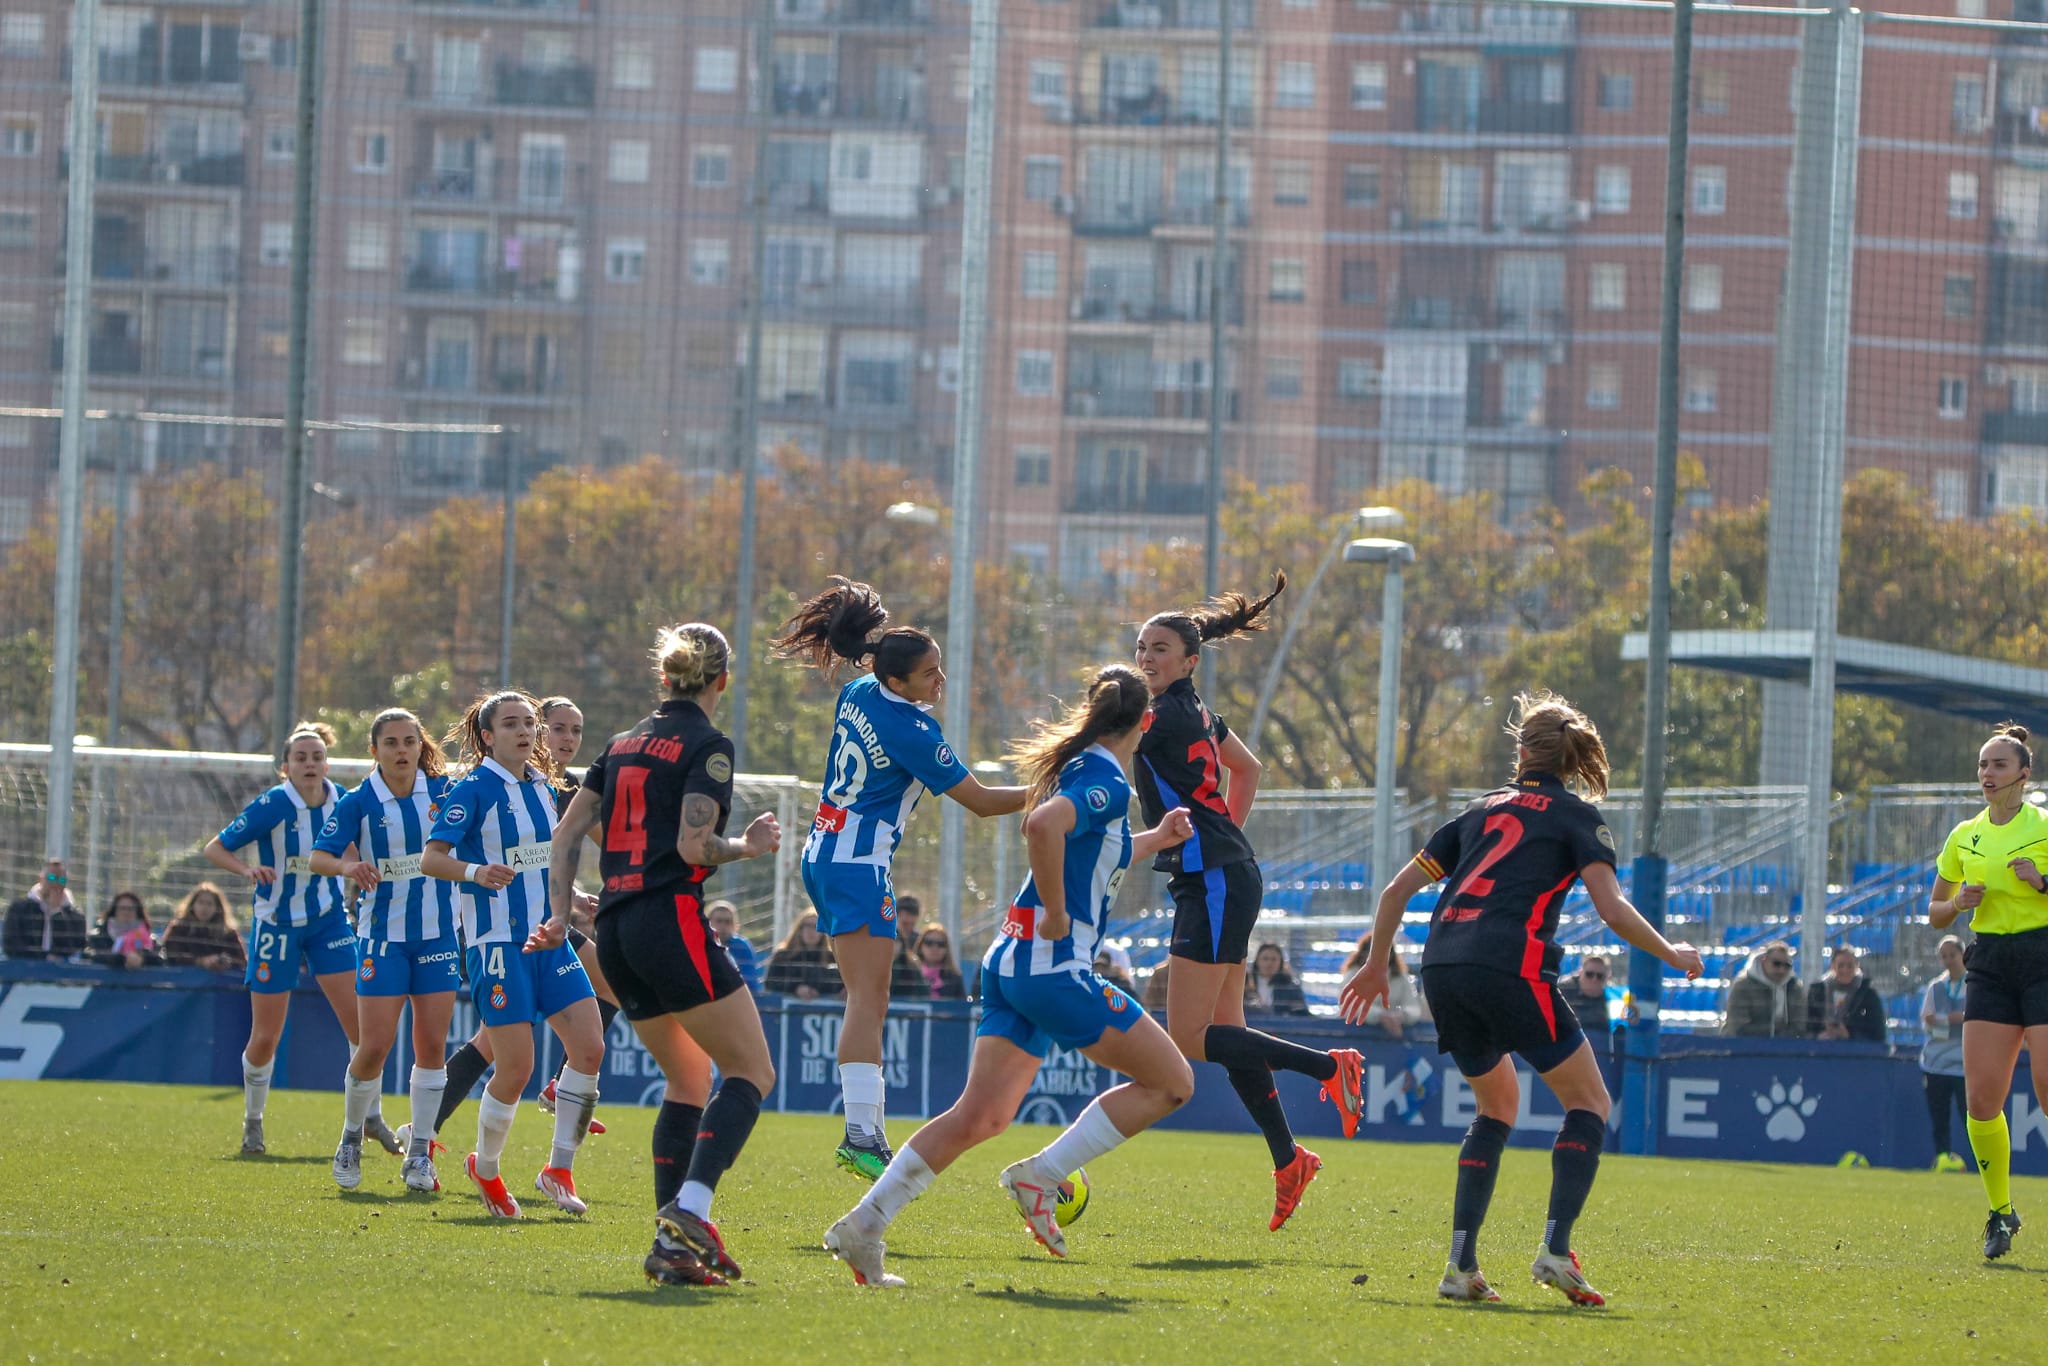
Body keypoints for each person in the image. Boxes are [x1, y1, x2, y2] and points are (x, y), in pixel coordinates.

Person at [824, 665, 1198, 1287]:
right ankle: (1042, 1175)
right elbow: (1043, 825)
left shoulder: (1085, 767)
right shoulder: (1103, 775)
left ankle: (865, 1225)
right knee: (1174, 1083)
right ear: (1146, 722)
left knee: (980, 1117)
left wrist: (1155, 838)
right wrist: (1056, 911)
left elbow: (1091, 849)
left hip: (1010, 965)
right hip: (1053, 969)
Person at [1341, 692, 1702, 1307]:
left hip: (1444, 967)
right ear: (1571, 756)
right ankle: (1557, 1251)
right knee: (1589, 1101)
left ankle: (1461, 1266)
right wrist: (1673, 954)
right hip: (1510, 964)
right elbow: (1611, 909)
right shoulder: (1576, 817)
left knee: (1497, 1106)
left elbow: (1396, 890)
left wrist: (1377, 964)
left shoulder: (1480, 809)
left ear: (1521, 750)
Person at [549, 623, 782, 1287]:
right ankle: (692, 1207)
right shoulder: (707, 744)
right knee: (751, 1071)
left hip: (616, 931)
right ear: (722, 681)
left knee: (689, 1081)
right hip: (668, 919)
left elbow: (567, 834)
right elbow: (692, 848)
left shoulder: (621, 744)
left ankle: (670, 1246)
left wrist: (560, 914)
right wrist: (749, 845)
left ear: (663, 678)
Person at [772, 577, 1026, 1180]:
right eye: (930, 673)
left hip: (827, 853)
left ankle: (867, 1131)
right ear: (897, 680)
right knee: (868, 998)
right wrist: (1056, 789)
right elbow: (985, 802)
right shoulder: (912, 730)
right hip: (856, 864)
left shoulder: (859, 691)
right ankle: (862, 1134)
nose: (940, 681)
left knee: (869, 996)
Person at [1131, 571, 1363, 1231]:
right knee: (1226, 1039)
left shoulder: (1160, 714)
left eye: (1160, 650)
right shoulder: (1195, 711)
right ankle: (1289, 1159)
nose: (1146, 658)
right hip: (1223, 871)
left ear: (1189, 661)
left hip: (1213, 877)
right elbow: (1249, 768)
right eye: (1142, 647)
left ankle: (1330, 1066)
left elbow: (1109, 740)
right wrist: (1223, 834)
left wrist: (1209, 844)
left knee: (1190, 1038)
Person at [422, 690, 604, 1219]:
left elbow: (541, 861)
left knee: (589, 1048)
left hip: (547, 937)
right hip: (496, 943)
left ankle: (559, 1170)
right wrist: (475, 872)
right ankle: (487, 1167)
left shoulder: (543, 788)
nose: (525, 732)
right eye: (511, 724)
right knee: (517, 1067)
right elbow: (433, 859)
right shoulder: (473, 788)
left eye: (530, 723)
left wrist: (569, 900)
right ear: (487, 735)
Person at [204, 723, 394, 1159]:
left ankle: (371, 1116)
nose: (310, 764)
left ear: (326, 763)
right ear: (284, 767)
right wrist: (246, 871)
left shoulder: (345, 801)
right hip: (277, 925)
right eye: (301, 757)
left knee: (364, 1029)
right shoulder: (273, 804)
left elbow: (357, 848)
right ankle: (253, 1122)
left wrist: (360, 868)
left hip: (329, 923)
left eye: (317, 756)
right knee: (267, 1035)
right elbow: (216, 848)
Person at [311, 708, 461, 1195]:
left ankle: (419, 1153)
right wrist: (348, 868)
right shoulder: (359, 801)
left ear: (422, 746)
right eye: (391, 742)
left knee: (432, 1047)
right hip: (382, 937)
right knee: (374, 1046)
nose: (401, 750)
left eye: (409, 741)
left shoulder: (444, 793)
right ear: (373, 750)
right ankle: (351, 1136)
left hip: (439, 935)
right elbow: (318, 856)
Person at [1929, 721, 2048, 1259]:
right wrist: (1958, 905)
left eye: (1998, 764)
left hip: (2043, 957)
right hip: (1991, 963)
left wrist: (2042, 883)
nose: (1987, 773)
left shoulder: (2044, 826)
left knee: (2047, 1088)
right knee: (1981, 1101)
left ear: (2024, 774)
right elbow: (1934, 913)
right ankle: (2001, 1214)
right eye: (1982, 764)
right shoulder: (1964, 835)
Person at [1920, 934, 1969, 1172]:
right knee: (1939, 1118)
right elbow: (1927, 1022)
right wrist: (1952, 1020)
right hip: (1936, 1064)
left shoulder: (1974, 985)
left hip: (1964, 1065)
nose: (1949, 960)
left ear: (1962, 954)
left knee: (1969, 1117)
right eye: (1944, 956)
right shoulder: (1936, 986)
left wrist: (1943, 1020)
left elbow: (1971, 1021)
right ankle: (1943, 1159)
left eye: (1953, 955)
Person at [1341, 932, 1428, 1039]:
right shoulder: (1353, 975)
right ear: (1363, 954)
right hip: (1357, 1036)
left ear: (1391, 955)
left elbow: (1414, 1008)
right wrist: (1380, 1016)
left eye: (1384, 953)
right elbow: (1348, 1006)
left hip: (1393, 1037)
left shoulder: (1399, 977)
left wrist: (1401, 1016)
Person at [4, 858, 86, 960]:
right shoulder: (20, 909)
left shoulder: (75, 916)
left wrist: (56, 913)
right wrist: (43, 958)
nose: (56, 884)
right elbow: (11, 944)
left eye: (61, 880)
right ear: (41, 879)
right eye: (51, 878)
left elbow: (73, 948)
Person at [159, 883, 246, 973]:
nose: (204, 908)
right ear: (193, 905)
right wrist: (201, 961)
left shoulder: (228, 932)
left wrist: (226, 961)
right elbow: (172, 956)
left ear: (217, 908)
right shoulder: (179, 928)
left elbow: (242, 962)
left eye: (209, 904)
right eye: (201, 902)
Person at [1806, 945, 1886, 1043]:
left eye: (1849, 966)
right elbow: (1806, 1028)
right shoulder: (1817, 991)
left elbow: (1878, 1034)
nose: (1845, 970)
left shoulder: (1868, 995)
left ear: (1857, 966)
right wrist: (1818, 1036)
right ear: (1832, 966)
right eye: (1841, 965)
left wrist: (1849, 1035)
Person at [1722, 941, 1802, 1038]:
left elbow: (1800, 1026)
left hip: (1785, 1048)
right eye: (1776, 964)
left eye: (1787, 965)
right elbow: (1738, 1027)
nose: (1782, 970)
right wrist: (1776, 1029)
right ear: (1764, 960)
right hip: (1742, 1047)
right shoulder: (1743, 985)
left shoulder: (1794, 987)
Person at [764, 911, 840, 999]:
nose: (811, 931)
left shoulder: (833, 958)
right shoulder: (783, 956)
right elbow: (770, 983)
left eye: (815, 926)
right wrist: (796, 989)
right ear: (799, 929)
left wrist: (844, 990)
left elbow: (843, 983)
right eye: (807, 926)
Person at [87, 889, 161, 968]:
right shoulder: (98, 936)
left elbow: (161, 959)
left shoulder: (150, 938)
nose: (126, 912)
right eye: (122, 908)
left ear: (138, 912)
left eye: (130, 909)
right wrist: (122, 959)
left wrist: (142, 958)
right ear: (114, 910)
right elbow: (90, 955)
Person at [707, 900, 763, 995]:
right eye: (719, 921)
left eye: (728, 922)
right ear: (709, 923)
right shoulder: (703, 944)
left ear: (734, 925)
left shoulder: (742, 946)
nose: (723, 926)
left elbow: (750, 981)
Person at [897, 925, 967, 1001]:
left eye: (941, 944)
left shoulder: (954, 977)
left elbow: (962, 1007)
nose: (935, 948)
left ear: (947, 948)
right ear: (921, 945)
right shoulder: (908, 972)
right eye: (929, 943)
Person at [1557, 955, 1614, 1039]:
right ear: (1580, 972)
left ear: (1606, 978)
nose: (1594, 979)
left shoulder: (1611, 998)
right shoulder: (1562, 991)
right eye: (1589, 974)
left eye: (1600, 976)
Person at [1245, 942, 1310, 1016]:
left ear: (1280, 962)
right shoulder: (1246, 983)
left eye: (1274, 959)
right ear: (1257, 961)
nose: (1269, 963)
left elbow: (1302, 1014)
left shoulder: (1290, 987)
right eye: (1265, 959)